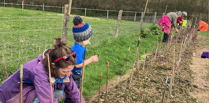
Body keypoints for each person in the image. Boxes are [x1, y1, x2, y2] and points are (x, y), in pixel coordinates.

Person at [0, 37, 85, 103]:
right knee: (52, 95)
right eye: (64, 71)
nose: (68, 74)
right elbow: (48, 100)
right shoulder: (40, 71)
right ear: (54, 65)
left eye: (70, 70)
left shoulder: (64, 69)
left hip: (30, 90)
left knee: (58, 93)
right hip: (11, 95)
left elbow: (75, 93)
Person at [71, 16, 99, 89]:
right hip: (74, 74)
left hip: (75, 73)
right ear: (84, 38)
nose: (90, 39)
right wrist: (91, 60)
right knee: (75, 89)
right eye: (89, 37)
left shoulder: (79, 46)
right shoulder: (78, 49)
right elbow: (77, 65)